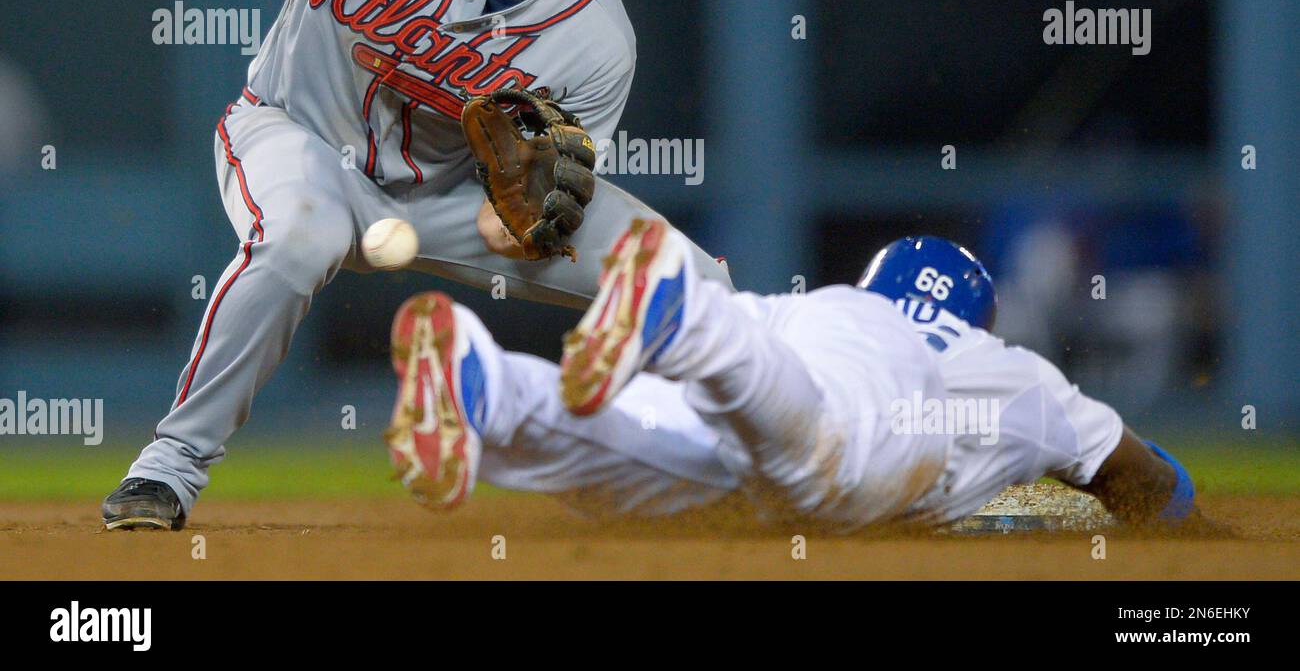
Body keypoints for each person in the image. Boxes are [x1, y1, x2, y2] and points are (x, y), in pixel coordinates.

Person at [101, 0, 731, 531]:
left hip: (447, 199)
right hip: (293, 135)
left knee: (694, 281)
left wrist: (522, 224)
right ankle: (166, 470)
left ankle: (727, 471)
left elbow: (537, 209)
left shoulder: (597, 39)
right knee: (302, 235)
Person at [383, 221, 1199, 531]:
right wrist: (1193, 531)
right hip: (861, 407)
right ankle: (687, 318)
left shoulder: (839, 303)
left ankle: (492, 386)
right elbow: (1147, 480)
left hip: (783, 342)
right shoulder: (1017, 374)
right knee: (822, 463)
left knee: (638, 466)